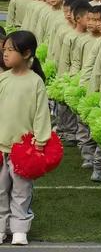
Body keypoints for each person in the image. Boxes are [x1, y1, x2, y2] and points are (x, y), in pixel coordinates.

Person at [0, 31, 51, 246]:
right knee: (1, 190)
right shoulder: (2, 79)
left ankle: (20, 227)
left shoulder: (35, 82)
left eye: (11, 50)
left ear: (26, 53)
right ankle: (1, 226)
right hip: (1, 147)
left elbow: (41, 113)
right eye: (5, 50)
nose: (5, 54)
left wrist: (40, 142)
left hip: (24, 149)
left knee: (22, 190)